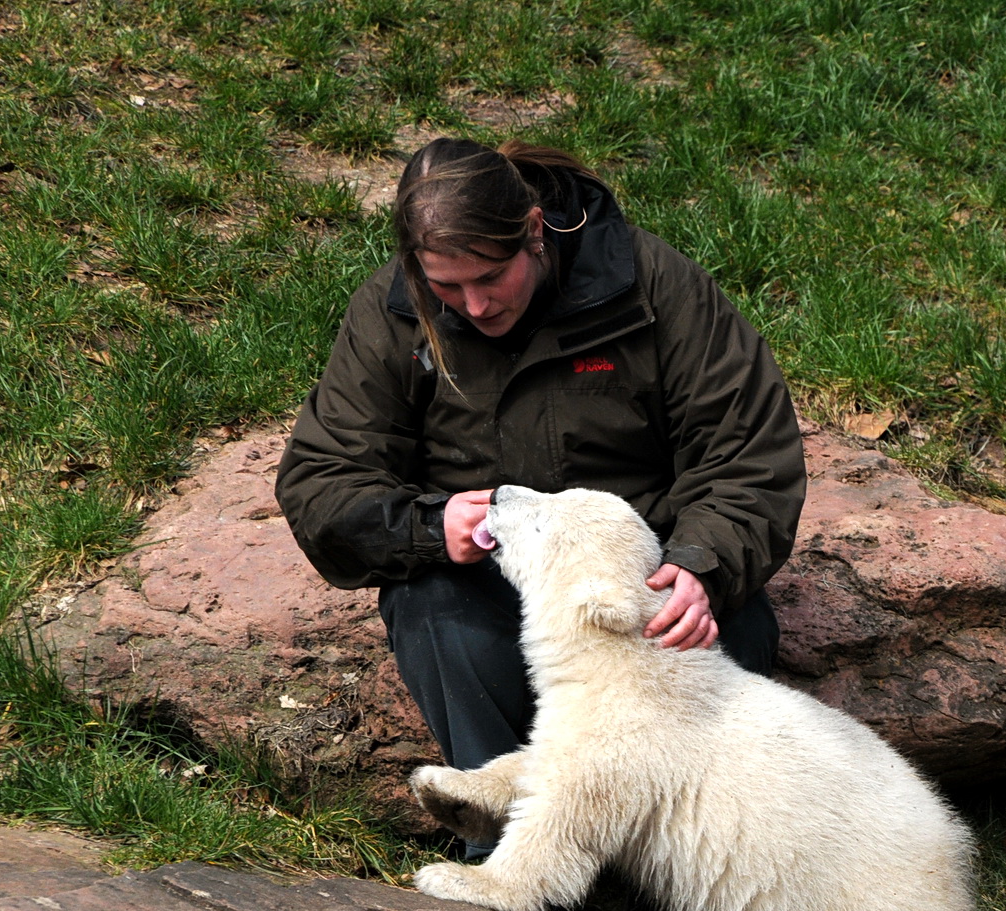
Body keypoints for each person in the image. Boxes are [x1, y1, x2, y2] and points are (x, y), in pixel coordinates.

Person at [275, 138, 806, 808]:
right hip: (493, 583)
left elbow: (747, 454)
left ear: (533, 232)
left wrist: (703, 566)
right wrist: (431, 527)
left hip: (640, 576)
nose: (473, 305)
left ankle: (674, 846)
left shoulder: (653, 285)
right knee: (433, 613)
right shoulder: (391, 313)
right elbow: (321, 478)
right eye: (445, 286)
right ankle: (505, 834)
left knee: (732, 635)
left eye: (490, 277)